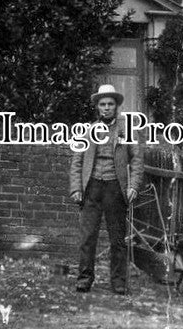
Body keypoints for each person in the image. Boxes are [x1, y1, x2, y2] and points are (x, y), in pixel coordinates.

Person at [69, 84, 144, 294]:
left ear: (116, 106)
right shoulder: (87, 130)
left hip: (115, 188)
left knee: (118, 239)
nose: (106, 108)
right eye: (103, 104)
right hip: (91, 187)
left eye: (110, 104)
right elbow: (77, 161)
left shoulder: (127, 129)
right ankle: (84, 278)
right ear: (97, 107)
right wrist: (76, 188)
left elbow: (137, 160)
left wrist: (134, 187)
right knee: (87, 237)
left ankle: (118, 281)